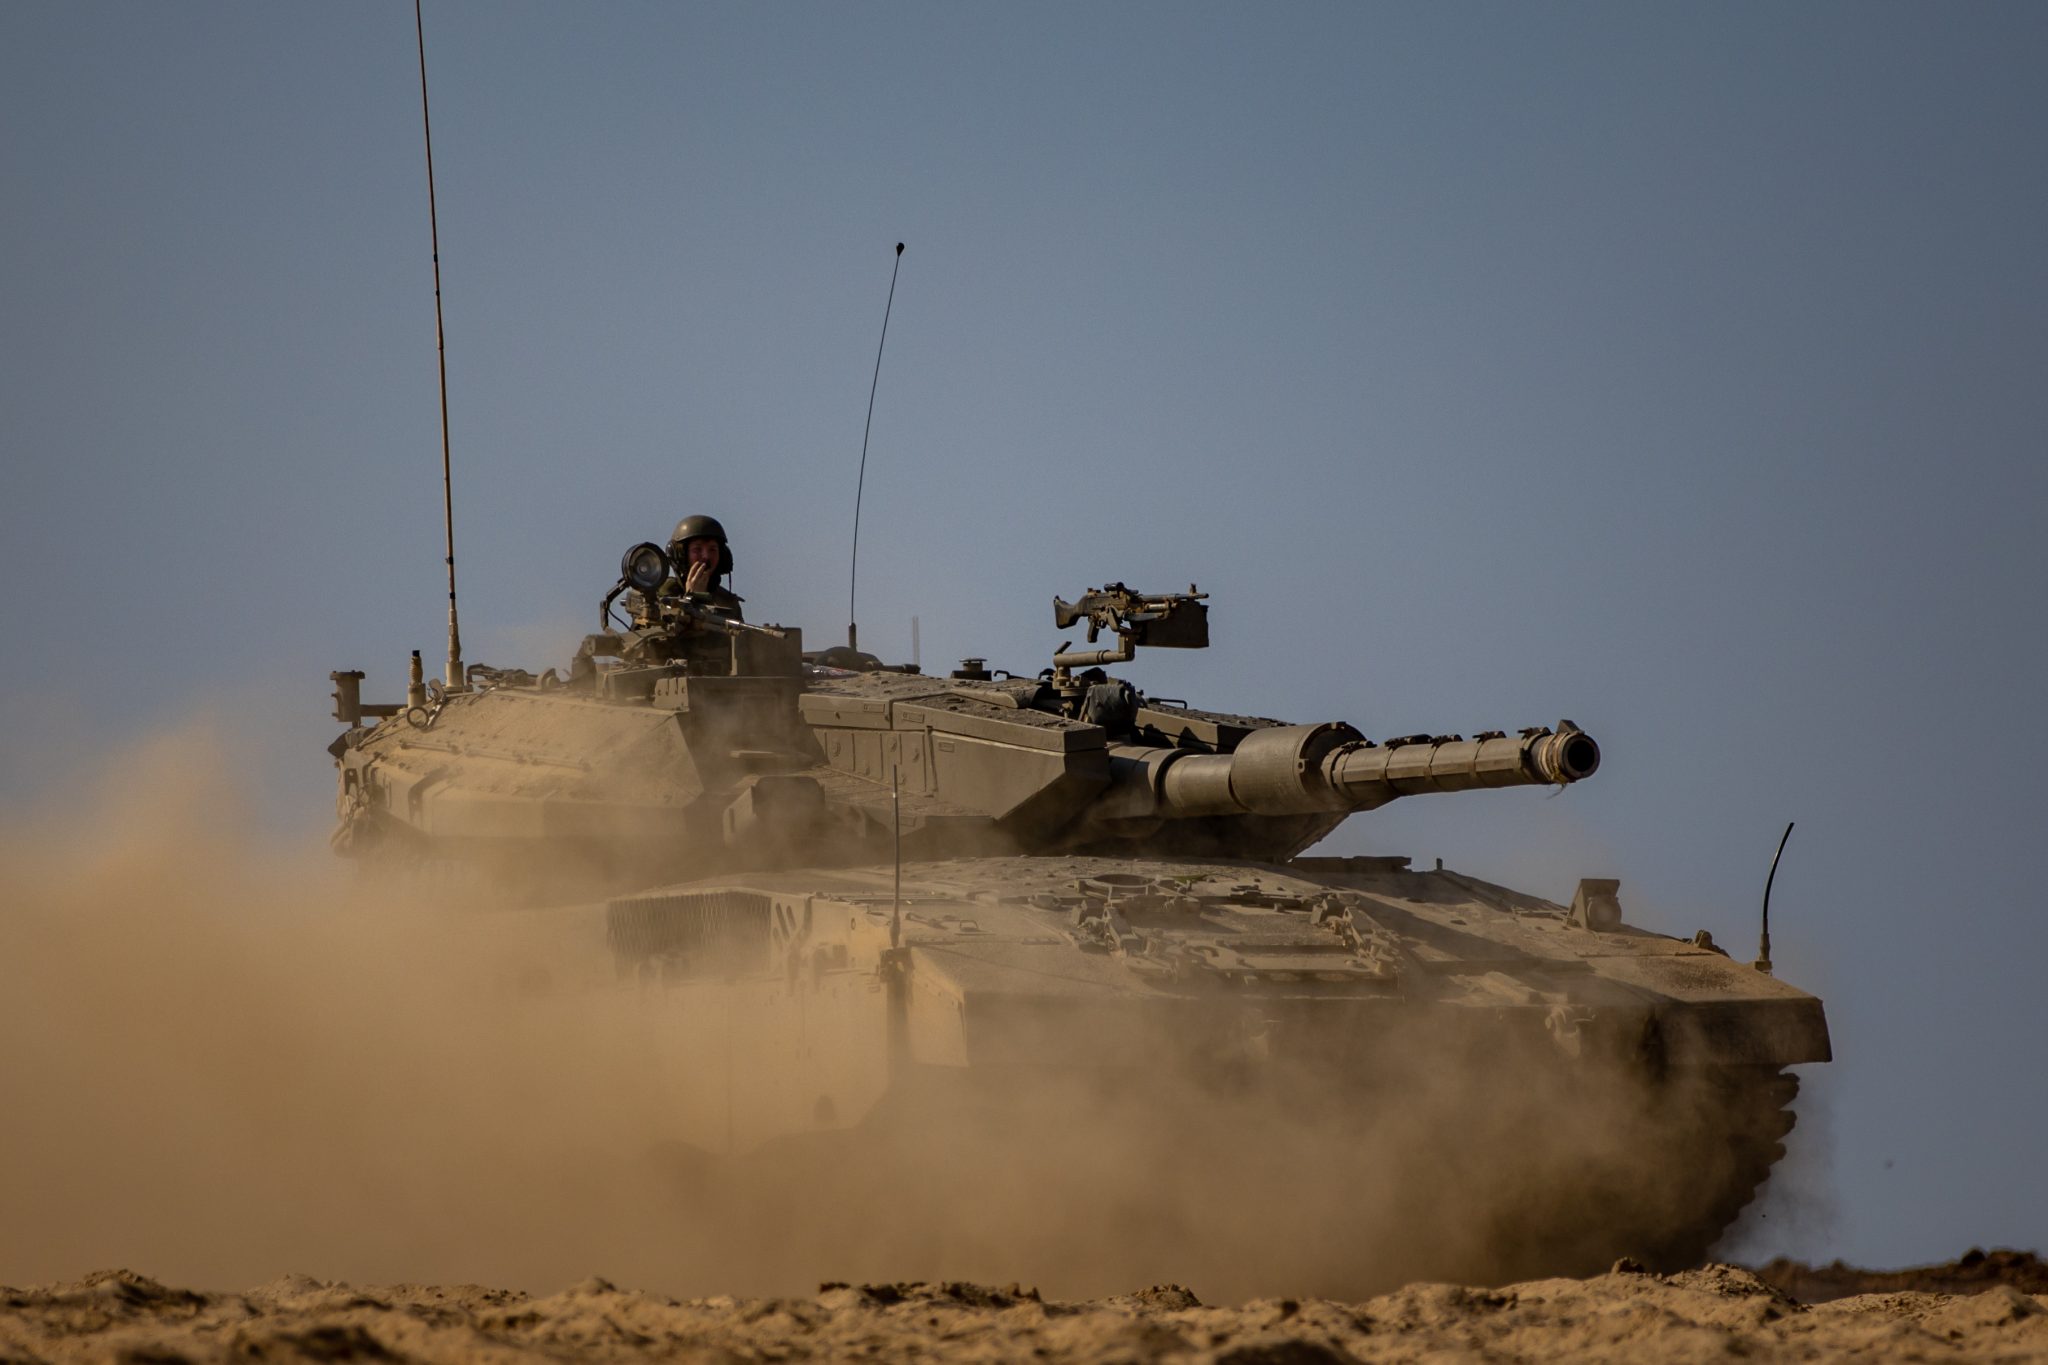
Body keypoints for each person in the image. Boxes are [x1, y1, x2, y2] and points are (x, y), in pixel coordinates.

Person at [663, 513, 744, 623]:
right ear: (681, 556)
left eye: (712, 550)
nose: (706, 556)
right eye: (697, 549)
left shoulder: (728, 603)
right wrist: (693, 598)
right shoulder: (661, 595)